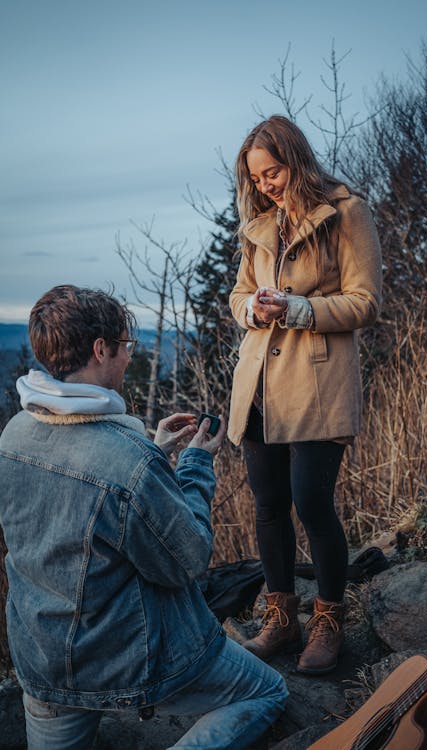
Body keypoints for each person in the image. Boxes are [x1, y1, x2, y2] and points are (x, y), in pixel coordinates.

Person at [0, 284, 287, 750]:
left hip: (42, 660)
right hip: (127, 662)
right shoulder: (127, 461)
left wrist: (152, 454)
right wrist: (193, 465)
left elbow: (78, 506)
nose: (128, 358)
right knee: (266, 691)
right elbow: (187, 559)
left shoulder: (14, 433)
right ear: (100, 350)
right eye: (125, 347)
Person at [228, 115, 382, 675]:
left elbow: (366, 302)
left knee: (312, 502)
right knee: (268, 506)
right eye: (258, 177)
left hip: (318, 383)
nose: (267, 184)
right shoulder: (261, 226)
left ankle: (328, 620)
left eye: (274, 171)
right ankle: (280, 616)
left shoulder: (348, 211)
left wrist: (297, 310)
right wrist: (251, 308)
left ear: (297, 157)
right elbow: (239, 292)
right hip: (259, 384)